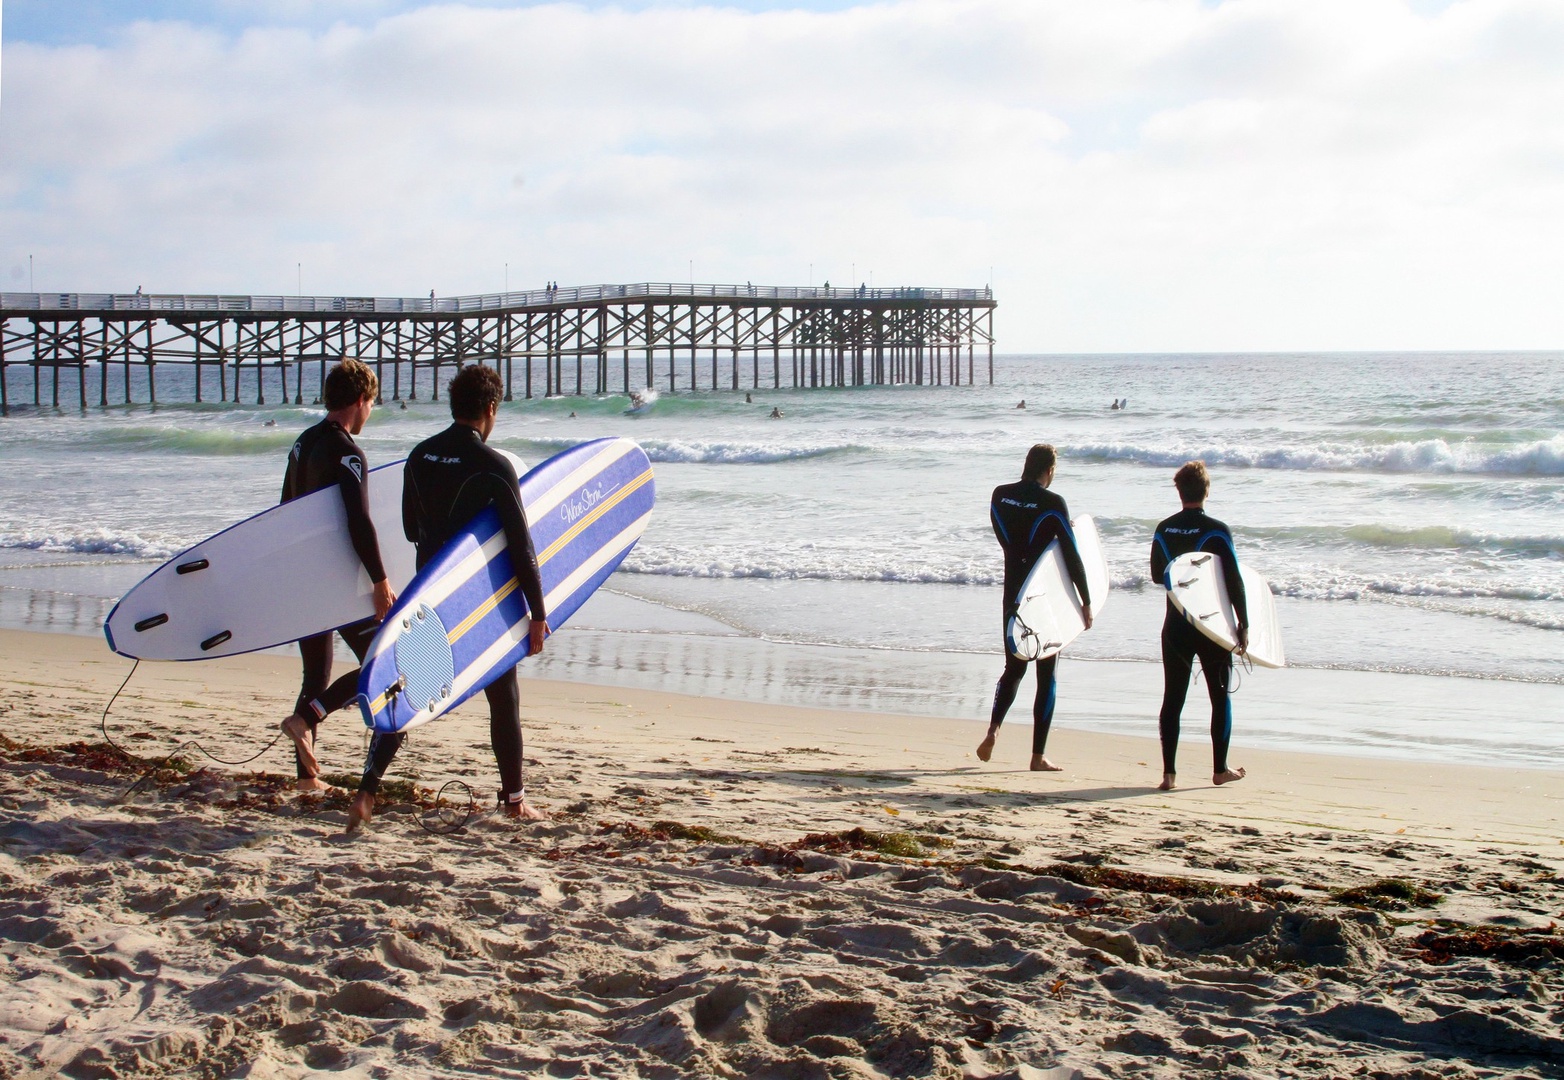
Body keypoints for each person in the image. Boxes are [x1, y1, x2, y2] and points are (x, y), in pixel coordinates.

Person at [348, 364, 549, 830]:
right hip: (478, 599)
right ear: (491, 409)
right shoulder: (495, 467)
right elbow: (521, 546)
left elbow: (409, 528)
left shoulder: (418, 457)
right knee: (504, 696)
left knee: (411, 688)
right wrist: (537, 613)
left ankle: (365, 791)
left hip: (429, 597)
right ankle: (515, 800)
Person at [278, 359, 395, 790]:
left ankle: (306, 777)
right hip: (334, 583)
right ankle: (306, 718)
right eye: (372, 404)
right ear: (361, 400)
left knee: (315, 676)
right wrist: (381, 581)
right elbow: (358, 522)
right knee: (378, 665)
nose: (370, 413)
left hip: (303, 576)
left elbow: (285, 508)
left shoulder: (302, 444)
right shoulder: (349, 452)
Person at [977, 444, 1092, 771]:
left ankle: (993, 729)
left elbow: (1006, 538)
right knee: (1047, 674)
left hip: (1012, 591)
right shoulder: (1054, 504)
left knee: (1014, 668)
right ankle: (1037, 756)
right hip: (1044, 597)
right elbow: (1071, 556)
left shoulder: (1000, 495)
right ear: (1050, 471)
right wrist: (1085, 601)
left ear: (1026, 465)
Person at [1150, 460, 1247, 791]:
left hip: (1175, 625)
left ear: (1179, 492)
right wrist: (1243, 623)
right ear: (1207, 490)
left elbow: (1156, 575)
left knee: (1172, 698)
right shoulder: (1218, 530)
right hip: (1212, 627)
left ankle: (1168, 775)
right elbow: (1233, 579)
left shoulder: (1164, 529)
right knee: (1219, 698)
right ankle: (1220, 770)